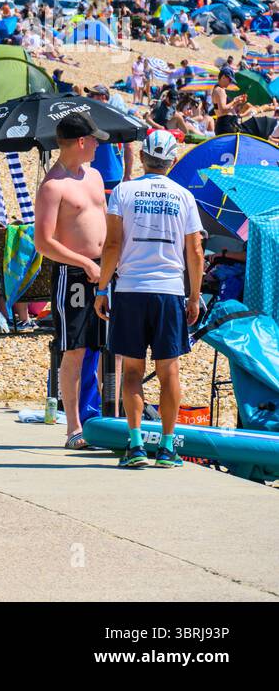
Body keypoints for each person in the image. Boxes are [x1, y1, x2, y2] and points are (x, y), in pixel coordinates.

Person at [95, 130, 204, 469]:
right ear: (172, 161)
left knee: (131, 369)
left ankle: (136, 444)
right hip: (169, 289)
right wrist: (195, 296)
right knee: (169, 370)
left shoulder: (124, 192)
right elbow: (196, 250)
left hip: (131, 289)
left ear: (142, 158)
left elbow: (112, 245)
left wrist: (101, 288)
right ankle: (169, 448)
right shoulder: (183, 196)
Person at [34, 113, 111, 449]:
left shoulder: (93, 176)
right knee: (75, 349)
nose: (98, 144)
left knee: (110, 347)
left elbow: (108, 222)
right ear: (81, 142)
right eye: (94, 139)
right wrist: (83, 262)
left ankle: (108, 417)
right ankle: (73, 427)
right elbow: (43, 241)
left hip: (104, 269)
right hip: (74, 274)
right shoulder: (53, 186)